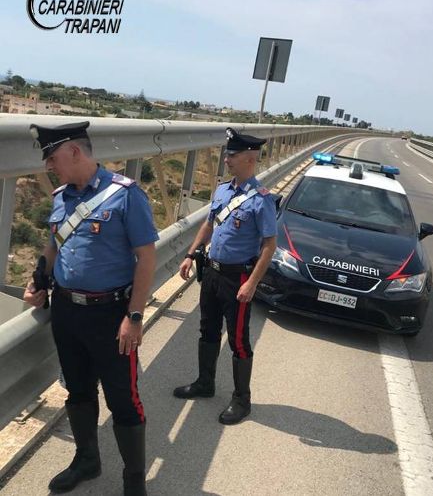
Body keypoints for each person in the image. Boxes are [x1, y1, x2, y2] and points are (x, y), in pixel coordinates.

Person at [23, 121, 158, 496]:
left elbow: (146, 257)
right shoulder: (61, 196)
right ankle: (87, 460)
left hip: (111, 317)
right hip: (67, 313)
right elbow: (55, 246)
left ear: (75, 152)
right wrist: (39, 279)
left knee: (123, 399)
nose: (50, 166)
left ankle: (134, 482)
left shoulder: (126, 195)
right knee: (78, 391)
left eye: (52, 158)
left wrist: (134, 317)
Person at [174, 127, 277, 424]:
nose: (226, 159)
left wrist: (253, 285)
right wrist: (190, 254)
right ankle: (205, 384)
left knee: (238, 340)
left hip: (238, 279)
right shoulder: (222, 190)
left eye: (232, 155)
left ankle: (241, 400)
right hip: (213, 274)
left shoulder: (261, 199)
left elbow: (270, 246)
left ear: (249, 158)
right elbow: (208, 225)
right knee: (207, 330)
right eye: (227, 154)